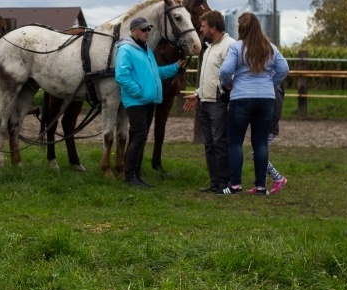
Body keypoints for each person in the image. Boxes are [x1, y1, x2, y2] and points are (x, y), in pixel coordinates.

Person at [218, 12, 289, 195]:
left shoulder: (237, 47)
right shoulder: (270, 48)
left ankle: (235, 185)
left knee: (235, 142)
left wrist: (229, 84)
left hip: (241, 98)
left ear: (240, 28)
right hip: (266, 99)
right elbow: (284, 68)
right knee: (260, 143)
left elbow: (225, 71)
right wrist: (270, 83)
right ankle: (260, 186)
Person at [115, 16, 186, 188]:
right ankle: (130, 176)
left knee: (141, 137)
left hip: (147, 101)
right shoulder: (126, 49)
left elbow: (156, 73)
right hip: (136, 101)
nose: (148, 32)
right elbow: (121, 76)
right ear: (133, 31)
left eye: (149, 29)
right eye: (144, 29)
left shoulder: (146, 49)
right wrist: (138, 92)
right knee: (139, 136)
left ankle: (136, 175)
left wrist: (175, 67)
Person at [183, 10, 234, 193]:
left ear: (213, 28)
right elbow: (209, 77)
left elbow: (232, 77)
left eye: (203, 26)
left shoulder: (230, 46)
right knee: (209, 144)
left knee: (220, 143)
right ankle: (215, 182)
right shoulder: (210, 47)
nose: (201, 29)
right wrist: (198, 94)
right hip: (205, 102)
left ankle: (225, 183)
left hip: (219, 103)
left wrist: (228, 97)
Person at [248, 82, 288, 194]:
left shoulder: (275, 89)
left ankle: (278, 178)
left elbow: (277, 113)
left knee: (256, 154)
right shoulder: (269, 87)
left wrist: (266, 127)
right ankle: (261, 184)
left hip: (269, 129)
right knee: (260, 153)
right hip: (263, 128)